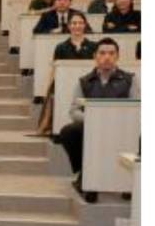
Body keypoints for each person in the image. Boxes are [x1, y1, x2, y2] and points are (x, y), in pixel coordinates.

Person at [57, 39, 139, 182]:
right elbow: (74, 111)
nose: (107, 57)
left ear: (117, 56)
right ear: (95, 56)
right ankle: (84, 172)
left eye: (111, 53)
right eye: (102, 53)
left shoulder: (130, 79)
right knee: (68, 132)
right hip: (92, 125)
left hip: (121, 126)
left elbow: (137, 107)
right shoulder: (84, 81)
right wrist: (93, 119)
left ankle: (128, 181)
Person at [30, 14, 99, 135]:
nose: (77, 26)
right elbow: (56, 69)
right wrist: (49, 85)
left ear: (85, 25)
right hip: (65, 84)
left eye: (80, 23)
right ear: (69, 26)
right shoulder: (61, 47)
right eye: (74, 23)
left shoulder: (94, 46)